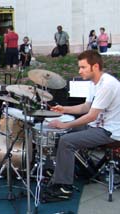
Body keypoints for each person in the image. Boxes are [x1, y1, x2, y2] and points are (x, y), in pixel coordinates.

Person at [44, 50, 120, 200]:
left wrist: (66, 125)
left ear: (95, 66)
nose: (80, 71)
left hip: (110, 131)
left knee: (66, 140)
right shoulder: (94, 83)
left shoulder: (108, 85)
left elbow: (91, 115)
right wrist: (63, 109)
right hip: (97, 126)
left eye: (83, 67)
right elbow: (85, 107)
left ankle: (63, 188)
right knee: (56, 130)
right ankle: (56, 169)